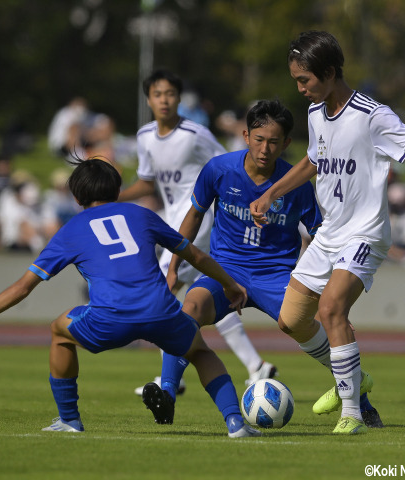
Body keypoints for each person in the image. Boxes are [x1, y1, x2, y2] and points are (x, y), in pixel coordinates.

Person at [0, 158, 261, 439]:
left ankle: (69, 421)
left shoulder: (71, 229)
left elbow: (23, 287)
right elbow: (195, 255)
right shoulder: (140, 214)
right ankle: (235, 422)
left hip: (111, 318)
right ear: (117, 191)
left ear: (77, 197)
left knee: (58, 331)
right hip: (160, 310)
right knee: (200, 351)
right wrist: (230, 284)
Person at [250, 31, 405, 434]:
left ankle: (352, 413)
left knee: (332, 308)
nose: (300, 89)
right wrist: (271, 193)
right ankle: (353, 377)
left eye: (305, 80)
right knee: (291, 320)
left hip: (365, 234)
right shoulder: (316, 113)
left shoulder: (372, 116)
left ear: (331, 72)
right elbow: (312, 161)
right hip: (330, 233)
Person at [158, 99, 382, 432]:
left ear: (287, 144)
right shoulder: (219, 170)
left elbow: (322, 231)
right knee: (189, 308)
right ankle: (165, 393)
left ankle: (359, 399)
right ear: (246, 136)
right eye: (259, 139)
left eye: (274, 141)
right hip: (225, 269)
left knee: (297, 325)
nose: (265, 148)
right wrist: (174, 264)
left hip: (275, 275)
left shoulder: (298, 186)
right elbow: (193, 216)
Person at [119, 69, 277, 393]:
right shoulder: (145, 136)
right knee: (204, 296)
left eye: (170, 94)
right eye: (157, 94)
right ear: (148, 99)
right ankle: (256, 365)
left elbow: (229, 167)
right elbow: (148, 183)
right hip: (170, 220)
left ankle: (169, 381)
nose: (164, 100)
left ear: (179, 99)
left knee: (164, 289)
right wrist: (112, 198)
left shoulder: (195, 134)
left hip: (197, 218)